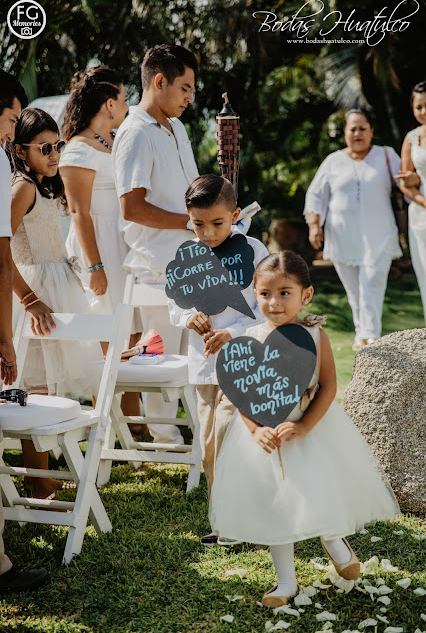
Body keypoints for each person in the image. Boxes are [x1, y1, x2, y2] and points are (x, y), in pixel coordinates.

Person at [209, 250, 400, 607]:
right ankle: (286, 583)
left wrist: (305, 425)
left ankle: (334, 541)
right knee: (275, 505)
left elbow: (328, 385)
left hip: (310, 428)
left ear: (305, 295)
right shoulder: (249, 338)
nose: (274, 302)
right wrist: (254, 430)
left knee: (318, 492)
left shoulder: (314, 335)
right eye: (265, 294)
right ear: (254, 293)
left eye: (285, 293)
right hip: (265, 437)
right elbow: (241, 394)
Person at [7, 107, 101, 499]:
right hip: (33, 291)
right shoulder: (21, 187)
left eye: (57, 145)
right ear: (19, 149)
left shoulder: (43, 185)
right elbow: (1, 252)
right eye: (45, 147)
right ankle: (38, 477)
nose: (54, 154)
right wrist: (29, 299)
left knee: (47, 382)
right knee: (36, 385)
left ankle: (38, 473)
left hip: (56, 284)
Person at [168, 175, 268, 545]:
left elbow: (268, 306)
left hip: (241, 360)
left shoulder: (255, 251)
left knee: (229, 437)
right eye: (198, 224)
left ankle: (246, 520)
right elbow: (175, 304)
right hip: (203, 365)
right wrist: (187, 317)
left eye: (217, 223)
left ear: (236, 215)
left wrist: (235, 332)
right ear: (188, 218)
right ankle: (223, 522)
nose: (207, 233)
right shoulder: (187, 254)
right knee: (209, 443)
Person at [112, 44, 199, 445]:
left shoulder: (177, 128)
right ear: (158, 81)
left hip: (191, 259)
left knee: (197, 355)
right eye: (184, 88)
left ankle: (203, 436)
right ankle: (166, 443)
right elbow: (131, 207)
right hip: (155, 266)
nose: (189, 98)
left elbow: (187, 192)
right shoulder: (134, 133)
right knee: (159, 359)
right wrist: (190, 222)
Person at [0, 68, 48, 593]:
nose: (11, 133)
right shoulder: (8, 174)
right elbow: (2, 253)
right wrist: (8, 332)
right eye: (11, 118)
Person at [304, 108, 403, 350]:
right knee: (354, 290)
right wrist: (314, 225)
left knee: (373, 282)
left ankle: (370, 336)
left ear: (371, 130)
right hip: (342, 237)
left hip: (379, 234)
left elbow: (406, 182)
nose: (357, 133)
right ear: (345, 133)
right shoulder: (333, 161)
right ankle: (362, 336)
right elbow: (316, 195)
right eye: (352, 129)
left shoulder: (386, 155)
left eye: (362, 128)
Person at [60, 67, 129, 321]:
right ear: (110, 104)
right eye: (124, 100)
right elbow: (79, 212)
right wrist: (95, 267)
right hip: (99, 244)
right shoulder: (78, 149)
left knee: (130, 326)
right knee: (104, 322)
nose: (127, 106)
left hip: (122, 240)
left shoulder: (118, 140)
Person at [397, 81, 426, 323]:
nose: (423, 111)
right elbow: (404, 181)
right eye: (419, 106)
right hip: (421, 214)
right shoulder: (411, 138)